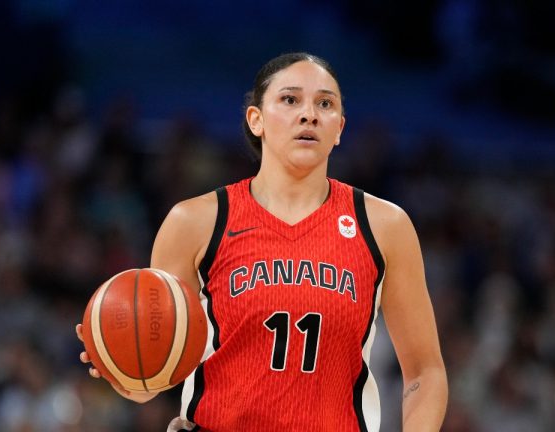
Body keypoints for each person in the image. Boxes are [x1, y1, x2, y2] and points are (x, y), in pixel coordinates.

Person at [76, 52, 448, 431]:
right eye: (290, 100)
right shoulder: (195, 221)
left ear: (339, 129)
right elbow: (156, 373)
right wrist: (121, 367)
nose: (309, 114)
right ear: (256, 120)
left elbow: (425, 371)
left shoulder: (384, 225)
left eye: (325, 103)